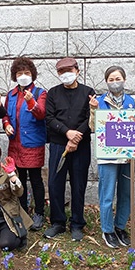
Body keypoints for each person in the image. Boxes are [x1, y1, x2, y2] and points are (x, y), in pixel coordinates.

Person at [44, 57, 95, 242]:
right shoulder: (53, 93)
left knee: (78, 183)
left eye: (69, 70)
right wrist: (67, 133)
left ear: (77, 71)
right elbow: (49, 118)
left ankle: (77, 223)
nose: (66, 74)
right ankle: (57, 222)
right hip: (58, 144)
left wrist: (76, 136)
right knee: (55, 183)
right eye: (61, 72)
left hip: (81, 146)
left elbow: (91, 118)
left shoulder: (88, 92)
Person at [89, 65, 135, 248]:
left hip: (128, 156)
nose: (115, 82)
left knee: (126, 193)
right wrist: (93, 110)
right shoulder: (99, 101)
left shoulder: (131, 101)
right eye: (111, 79)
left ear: (124, 79)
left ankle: (120, 226)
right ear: (106, 82)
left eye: (118, 79)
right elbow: (93, 127)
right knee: (106, 194)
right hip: (107, 156)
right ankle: (107, 229)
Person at [1, 57, 47, 232]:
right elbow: (5, 114)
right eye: (19, 73)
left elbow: (41, 114)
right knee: (18, 179)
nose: (23, 76)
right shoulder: (11, 95)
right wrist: (6, 125)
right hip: (15, 144)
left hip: (33, 143)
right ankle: (22, 211)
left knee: (35, 179)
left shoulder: (40, 93)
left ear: (32, 75)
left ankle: (40, 213)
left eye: (26, 73)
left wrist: (30, 101)